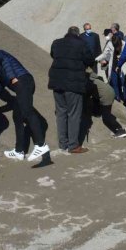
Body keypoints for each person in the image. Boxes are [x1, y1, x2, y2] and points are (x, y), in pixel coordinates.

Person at [0, 50, 49, 161]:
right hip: (21, 86)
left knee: (27, 112)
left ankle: (41, 145)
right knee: (17, 117)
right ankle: (19, 151)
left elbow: (5, 59)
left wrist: (12, 77)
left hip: (24, 81)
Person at [48, 26, 94, 154]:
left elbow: (53, 55)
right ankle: (73, 145)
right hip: (74, 83)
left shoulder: (56, 43)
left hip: (57, 82)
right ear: (78, 34)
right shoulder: (81, 44)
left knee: (61, 113)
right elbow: (90, 60)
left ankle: (63, 144)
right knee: (74, 114)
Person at [86, 70, 126, 138]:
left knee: (106, 118)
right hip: (109, 91)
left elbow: (90, 93)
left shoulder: (90, 81)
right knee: (97, 103)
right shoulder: (96, 78)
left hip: (106, 96)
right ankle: (97, 112)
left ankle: (121, 131)